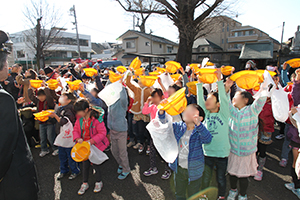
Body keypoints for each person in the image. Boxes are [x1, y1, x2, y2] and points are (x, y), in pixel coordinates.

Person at [0, 30, 39, 200]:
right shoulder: (3, 98)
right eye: (7, 62)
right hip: (13, 184)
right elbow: (4, 148)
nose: (9, 67)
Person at [158, 104, 213, 200]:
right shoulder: (179, 126)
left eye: (191, 111)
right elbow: (164, 124)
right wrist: (162, 112)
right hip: (179, 169)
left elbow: (208, 139)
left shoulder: (199, 131)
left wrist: (199, 125)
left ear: (200, 118)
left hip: (194, 171)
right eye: (185, 110)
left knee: (193, 194)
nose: (185, 111)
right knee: (179, 194)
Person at [225, 79, 268, 200]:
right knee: (232, 174)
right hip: (233, 150)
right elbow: (225, 101)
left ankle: (243, 194)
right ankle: (233, 190)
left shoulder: (252, 111)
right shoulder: (232, 112)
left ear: (245, 100)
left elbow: (261, 100)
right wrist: (227, 88)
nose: (233, 99)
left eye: (236, 97)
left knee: (243, 177)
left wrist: (263, 87)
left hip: (246, 152)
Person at [197, 69, 230, 200]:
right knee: (206, 177)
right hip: (207, 152)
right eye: (207, 99)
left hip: (221, 153)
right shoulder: (205, 115)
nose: (207, 101)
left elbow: (223, 97)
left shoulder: (224, 114)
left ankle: (221, 196)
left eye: (210, 99)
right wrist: (199, 85)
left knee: (221, 177)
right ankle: (204, 195)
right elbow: (200, 101)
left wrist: (219, 80)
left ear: (218, 104)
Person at [73, 99, 109, 195]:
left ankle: (98, 182)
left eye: (78, 111)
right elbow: (75, 130)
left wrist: (92, 141)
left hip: (94, 146)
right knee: (85, 165)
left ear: (85, 110)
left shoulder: (97, 119)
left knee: (96, 164)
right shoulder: (80, 119)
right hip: (84, 146)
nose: (77, 113)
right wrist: (77, 138)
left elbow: (102, 133)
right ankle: (85, 183)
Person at [49, 92, 80, 180]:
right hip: (63, 135)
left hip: (69, 137)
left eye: (63, 96)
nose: (61, 97)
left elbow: (65, 121)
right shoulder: (62, 107)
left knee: (70, 155)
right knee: (62, 155)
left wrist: (55, 116)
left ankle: (74, 171)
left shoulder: (69, 109)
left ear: (69, 100)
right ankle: (64, 170)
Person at [142, 88, 172, 179]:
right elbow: (144, 111)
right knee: (152, 151)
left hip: (164, 133)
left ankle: (168, 170)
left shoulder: (165, 105)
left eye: (155, 97)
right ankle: (153, 168)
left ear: (161, 97)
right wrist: (147, 102)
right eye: (152, 97)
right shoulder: (153, 107)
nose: (154, 99)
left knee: (165, 152)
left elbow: (166, 96)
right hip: (154, 134)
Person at [28, 84, 58, 157]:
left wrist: (46, 88)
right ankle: (44, 149)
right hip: (41, 122)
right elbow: (31, 96)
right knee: (42, 137)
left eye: (43, 96)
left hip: (49, 122)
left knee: (50, 136)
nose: (41, 98)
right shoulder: (37, 101)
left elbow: (49, 97)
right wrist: (30, 89)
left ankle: (55, 148)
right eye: (39, 96)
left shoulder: (49, 102)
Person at [126, 71, 152, 154]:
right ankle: (141, 143)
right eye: (139, 80)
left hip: (146, 113)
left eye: (142, 80)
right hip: (137, 112)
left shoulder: (149, 89)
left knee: (146, 130)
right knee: (138, 129)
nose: (139, 82)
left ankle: (148, 144)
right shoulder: (136, 89)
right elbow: (128, 83)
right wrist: (129, 75)